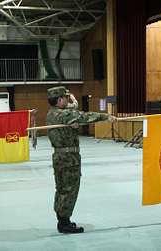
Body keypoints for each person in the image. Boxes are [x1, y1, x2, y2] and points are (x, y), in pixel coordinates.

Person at [45, 86, 116, 233]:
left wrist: (72, 122)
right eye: (65, 98)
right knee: (69, 189)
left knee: (61, 189)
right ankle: (64, 223)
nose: (67, 100)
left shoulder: (51, 114)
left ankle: (62, 219)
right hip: (69, 158)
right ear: (59, 100)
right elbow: (84, 116)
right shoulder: (63, 115)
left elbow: (73, 110)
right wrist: (106, 117)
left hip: (60, 157)